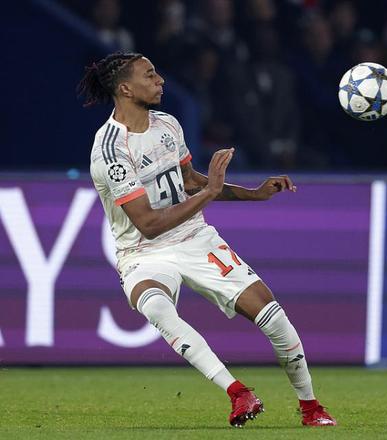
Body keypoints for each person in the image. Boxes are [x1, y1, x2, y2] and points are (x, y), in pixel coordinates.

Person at [78, 52, 336, 428]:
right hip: (142, 252)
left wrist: (254, 194)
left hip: (194, 238)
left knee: (273, 316)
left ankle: (311, 408)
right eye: (150, 75)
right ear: (125, 88)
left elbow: (190, 182)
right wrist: (210, 192)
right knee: (158, 309)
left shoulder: (167, 124)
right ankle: (238, 393)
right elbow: (148, 224)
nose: (160, 80)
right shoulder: (111, 151)